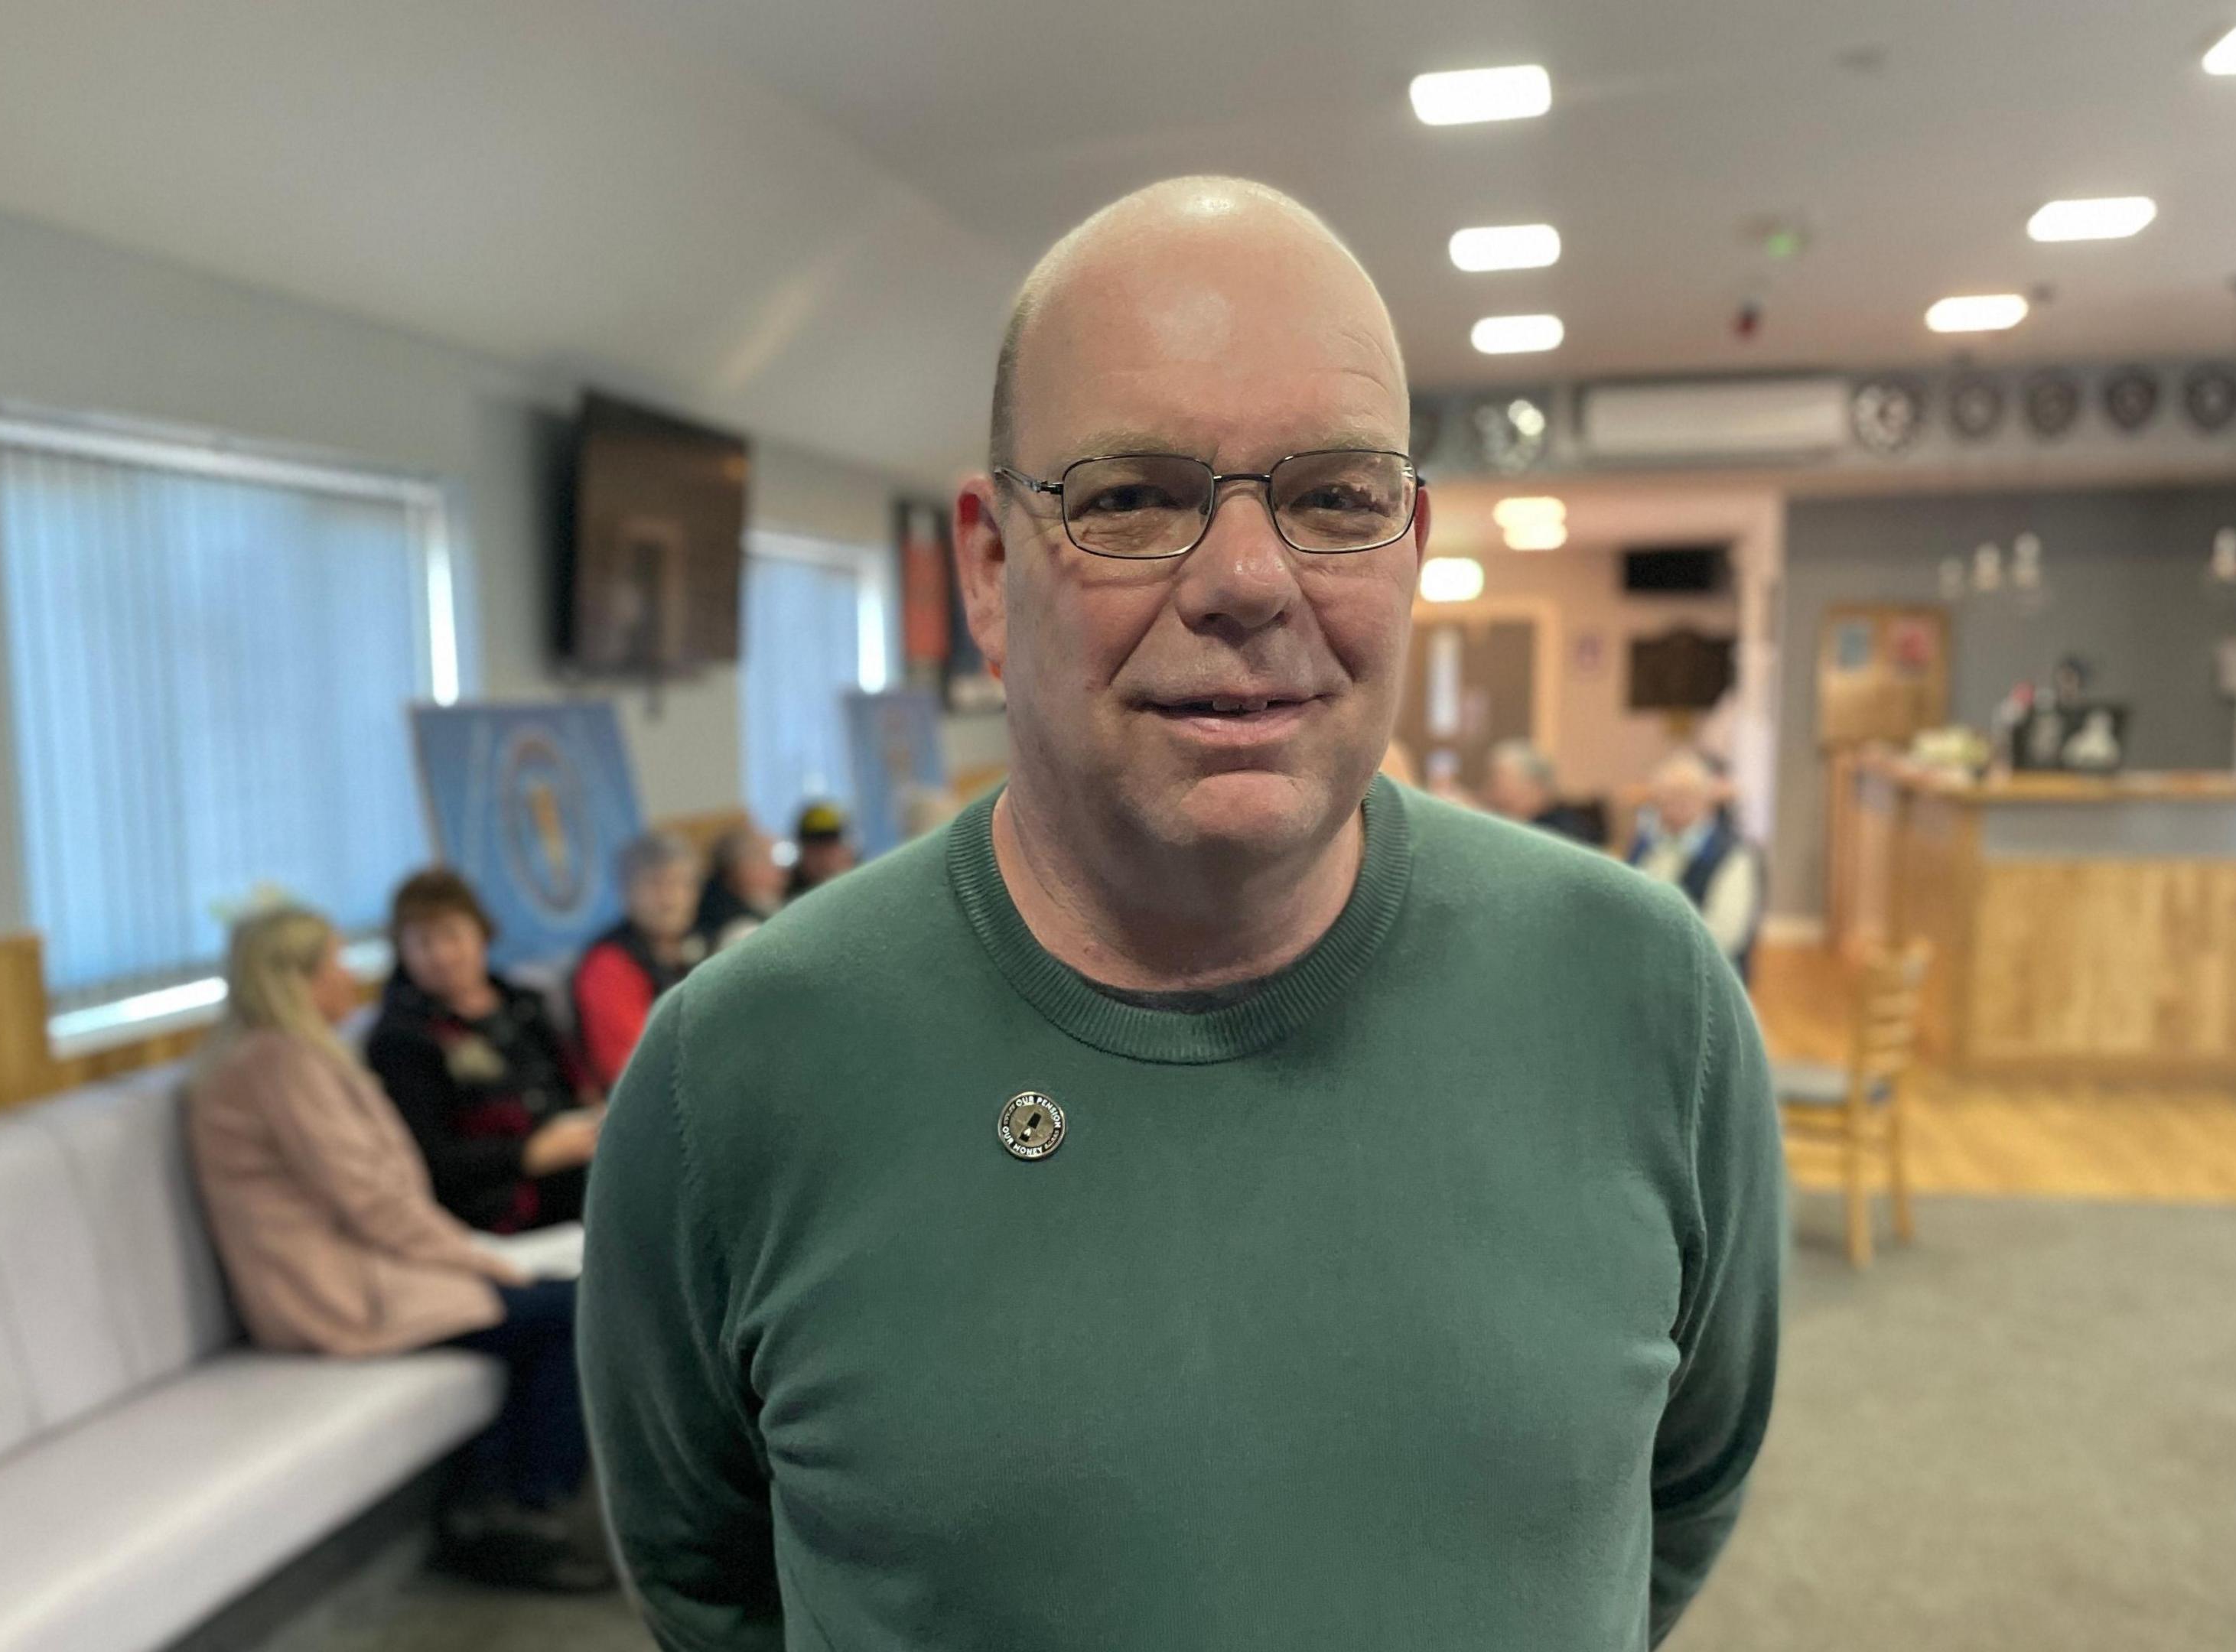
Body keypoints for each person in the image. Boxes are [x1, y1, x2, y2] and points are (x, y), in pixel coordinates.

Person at [582, 177, 1781, 1651]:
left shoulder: (1645, 996)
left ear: (1410, 541)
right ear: (987, 559)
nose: (1246, 581)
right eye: (1132, 497)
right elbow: (705, 1581)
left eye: (1334, 497)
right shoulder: (736, 1075)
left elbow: (1678, 1494)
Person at [185, 906, 606, 1592]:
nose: (350, 974)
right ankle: (517, 1514)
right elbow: (371, 1203)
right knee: (580, 1310)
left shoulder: (286, 1057)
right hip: (336, 1292)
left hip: (373, 1270)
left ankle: (502, 1500)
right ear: (298, 980)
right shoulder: (279, 1066)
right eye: (335, 963)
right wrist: (482, 1258)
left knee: (566, 1304)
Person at [366, 867, 598, 1233]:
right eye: (424, 943)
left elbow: (575, 1088)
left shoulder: (523, 1002)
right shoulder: (401, 1037)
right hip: (501, 1204)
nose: (442, 955)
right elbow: (431, 1160)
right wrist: (530, 1154)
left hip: (577, 1168)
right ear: (402, 951)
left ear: (482, 933)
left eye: (452, 936)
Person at [571, 831, 701, 1085]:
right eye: (655, 884)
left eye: (681, 883)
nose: (670, 898)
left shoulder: (699, 945)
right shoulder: (608, 965)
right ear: (625, 892)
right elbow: (631, 1070)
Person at [1627, 750, 1766, 981]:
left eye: (1686, 796)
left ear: (1706, 800)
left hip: (1705, 979)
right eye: (1667, 797)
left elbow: (1724, 937)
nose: (1675, 805)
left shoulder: (1734, 853)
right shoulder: (1645, 844)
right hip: (1644, 968)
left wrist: (1654, 947)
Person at [1482, 737, 1606, 845]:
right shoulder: (1515, 821)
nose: (1491, 789)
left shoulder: (1565, 832)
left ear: (1533, 785)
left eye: (1499, 781)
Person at [692, 821, 785, 954]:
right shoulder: (742, 932)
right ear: (740, 869)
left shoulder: (764, 906)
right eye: (767, 861)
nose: (779, 871)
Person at [786, 799, 856, 897]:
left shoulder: (863, 889)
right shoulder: (788, 896)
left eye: (830, 847)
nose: (823, 859)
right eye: (814, 849)